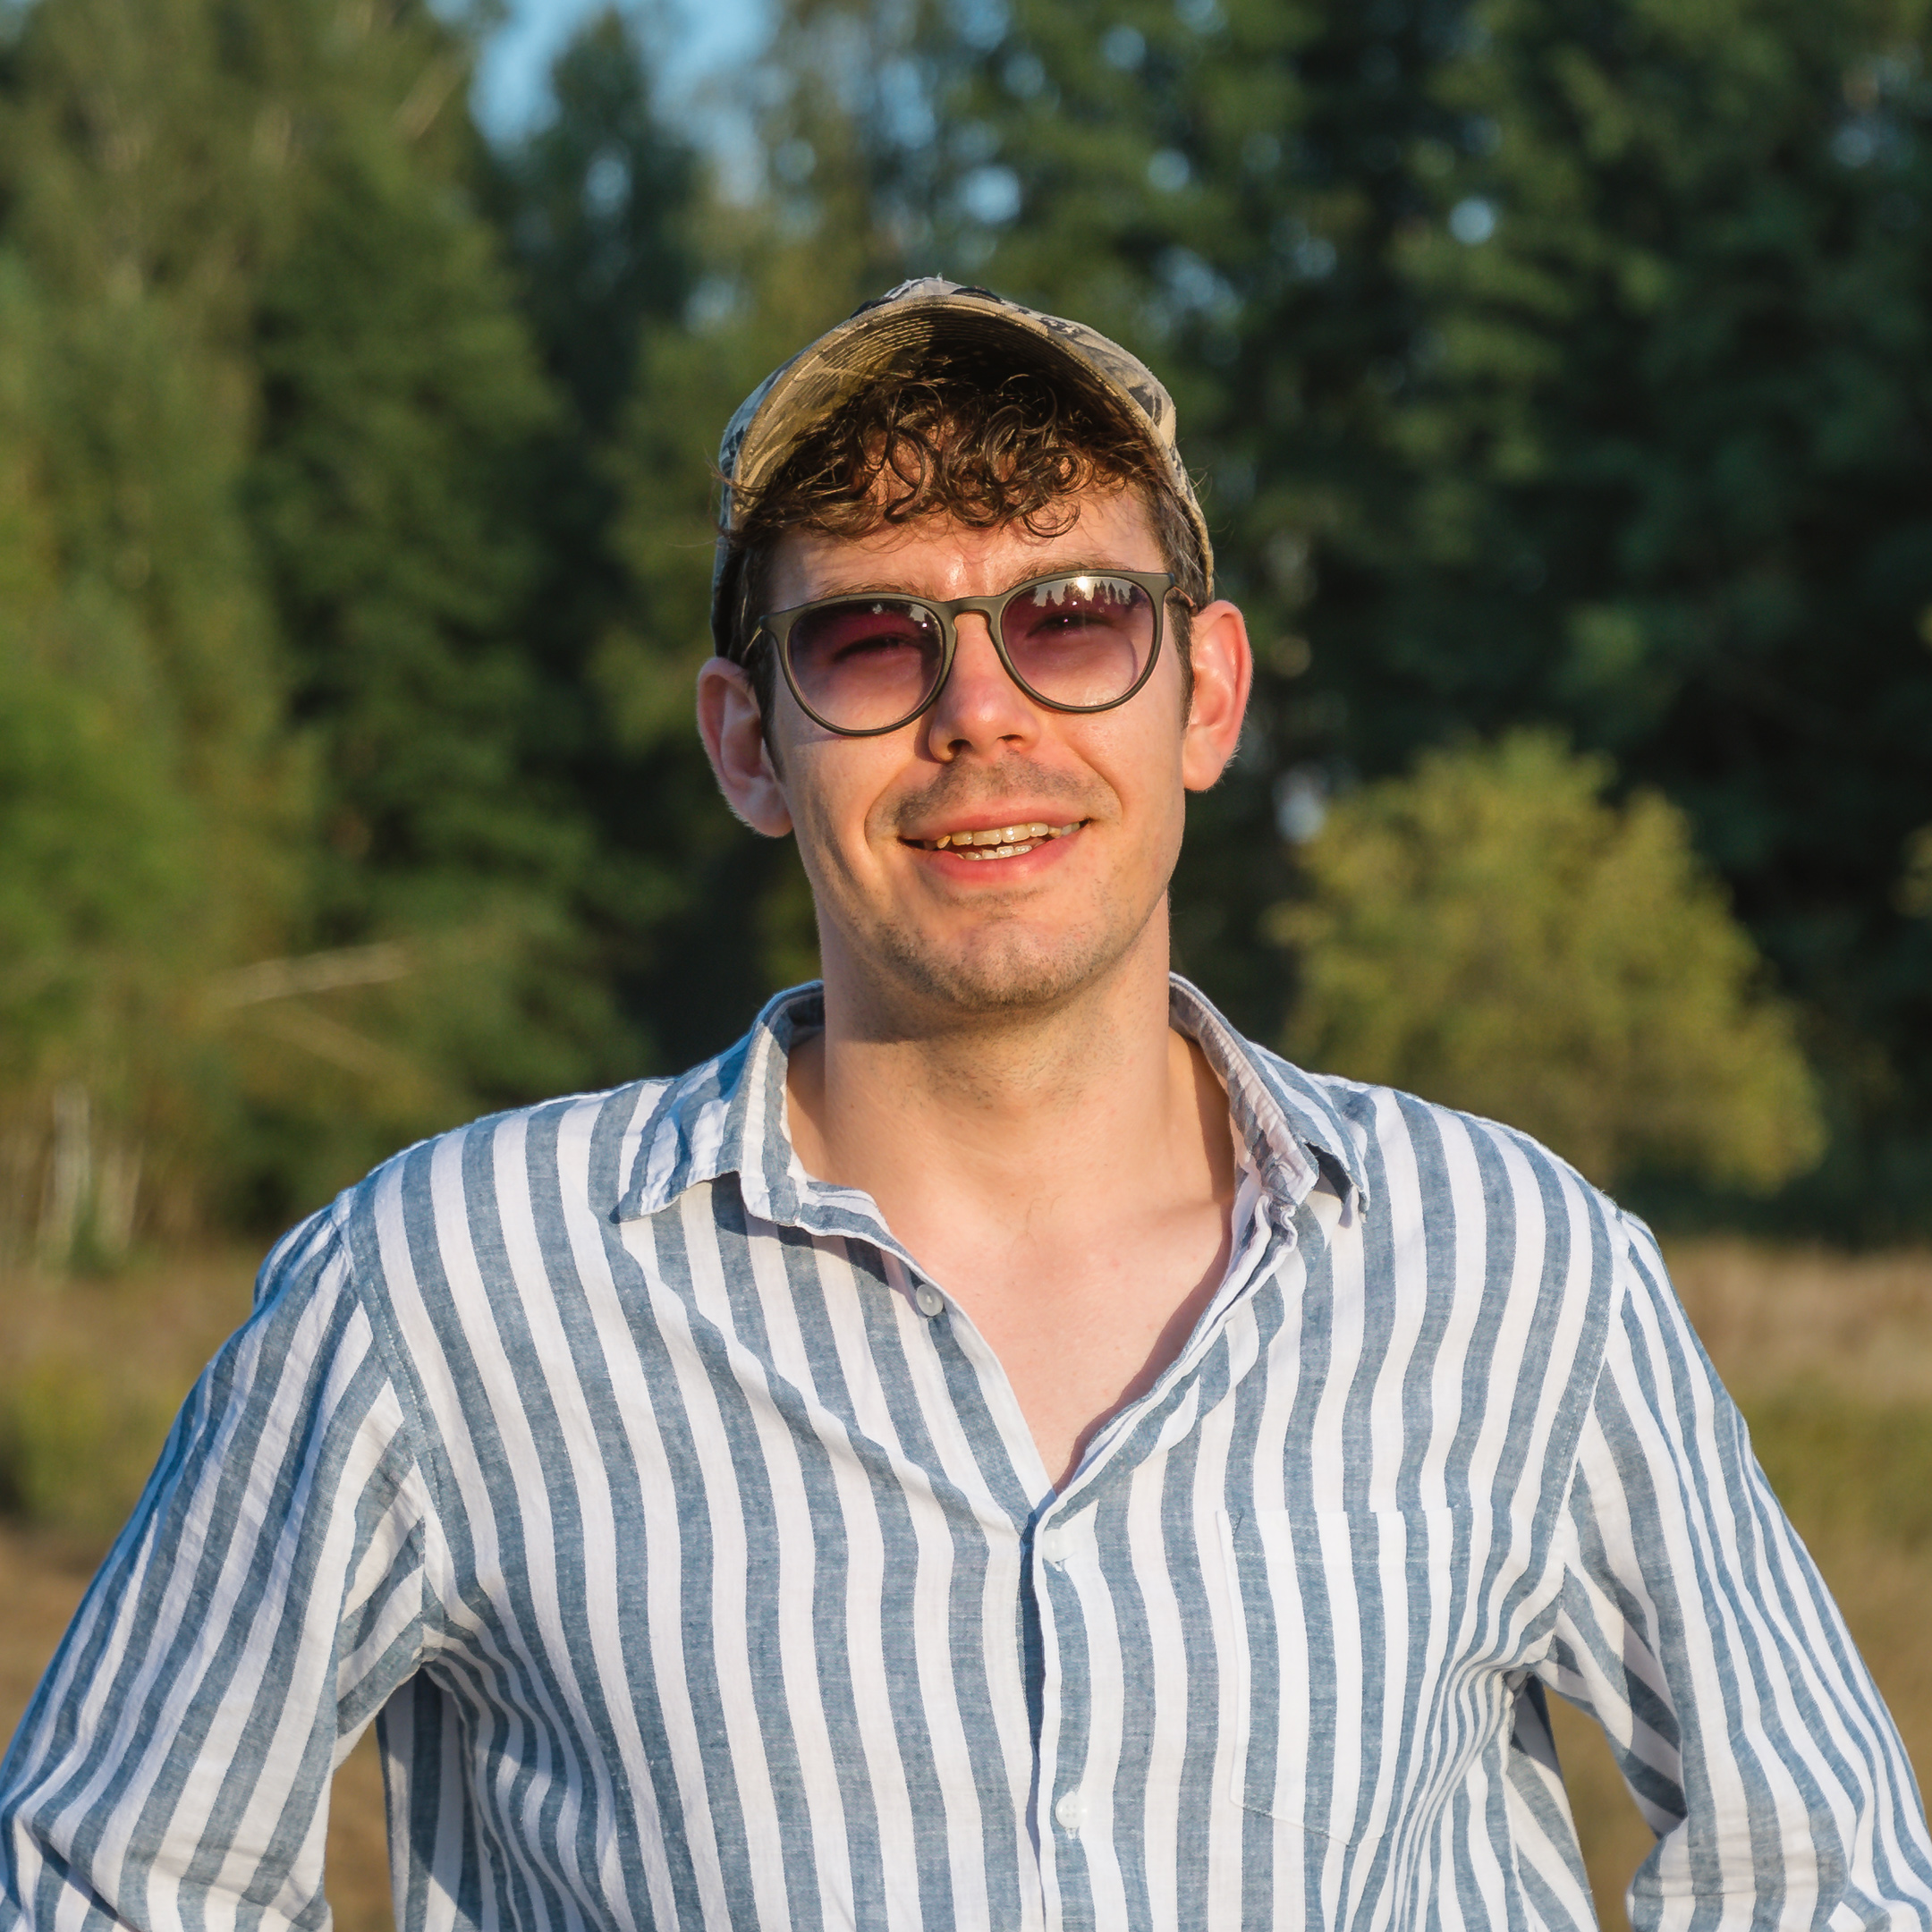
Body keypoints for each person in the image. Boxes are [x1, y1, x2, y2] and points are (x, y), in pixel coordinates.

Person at [3, 277, 1929, 1932]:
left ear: (1207, 694)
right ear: (750, 745)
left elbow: (1824, 1866)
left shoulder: (1517, 1273)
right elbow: (107, 1872)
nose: (980, 711)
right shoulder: (436, 1295)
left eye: (1071, 618)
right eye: (870, 640)